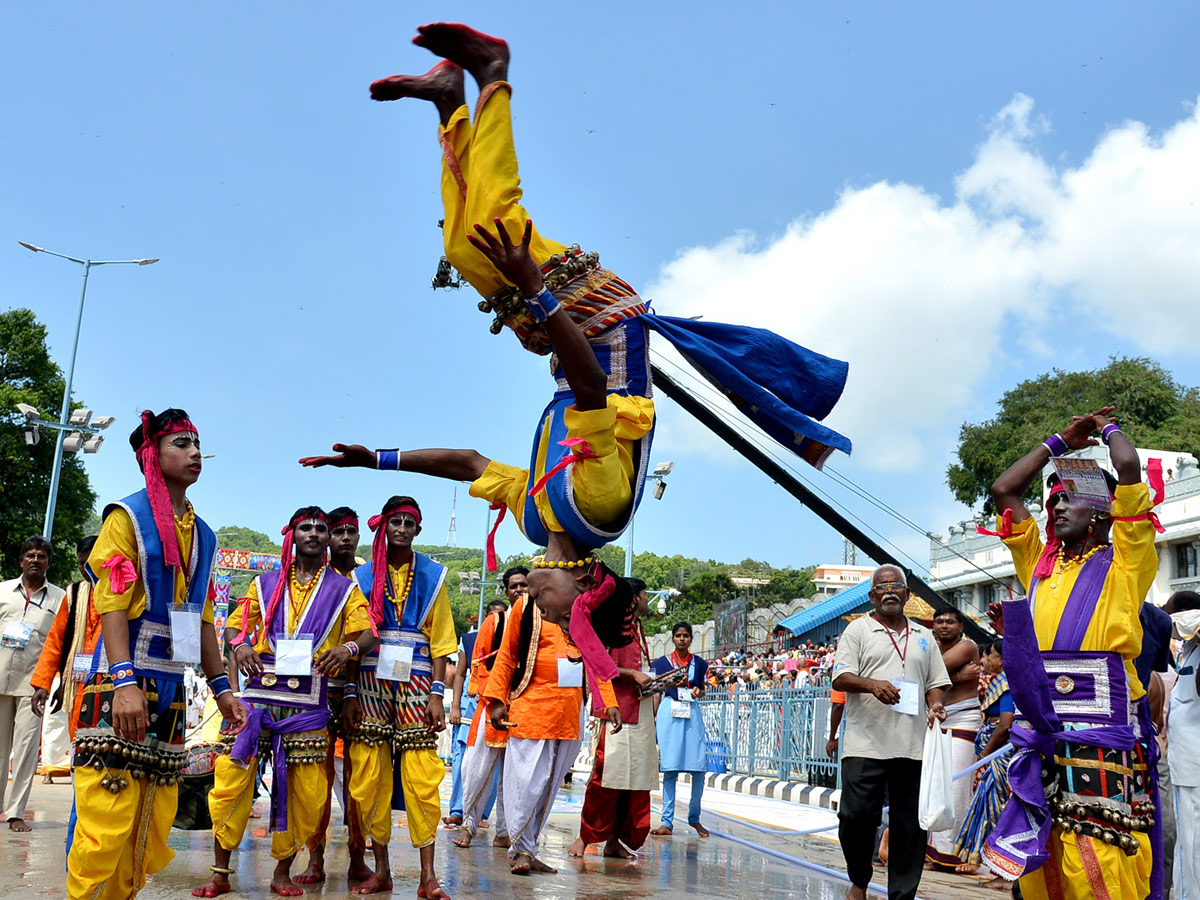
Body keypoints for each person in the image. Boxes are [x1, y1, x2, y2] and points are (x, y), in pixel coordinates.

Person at [981, 408, 1161, 900]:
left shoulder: (1126, 559)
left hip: (1099, 730)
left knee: (1099, 853)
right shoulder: (1039, 563)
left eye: (1069, 501)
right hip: (1042, 727)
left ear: (1104, 513)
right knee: (1045, 858)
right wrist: (1061, 440)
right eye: (1052, 502)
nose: (1055, 509)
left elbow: (1127, 470)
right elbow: (1004, 491)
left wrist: (1107, 431)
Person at [68, 409, 247, 900]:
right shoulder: (126, 518)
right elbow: (112, 602)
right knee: (106, 818)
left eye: (197, 445)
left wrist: (223, 690)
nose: (194, 453)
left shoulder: (204, 534)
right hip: (122, 681)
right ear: (153, 455)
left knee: (152, 816)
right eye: (182, 444)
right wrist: (124, 681)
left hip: (171, 686)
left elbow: (204, 617)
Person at [193, 507, 371, 898]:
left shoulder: (344, 589)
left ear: (327, 539)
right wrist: (239, 645)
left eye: (320, 529)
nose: (313, 533)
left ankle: (281, 871)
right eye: (305, 527)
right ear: (290, 535)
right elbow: (237, 625)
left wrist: (348, 648)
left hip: (309, 700)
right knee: (232, 781)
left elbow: (367, 631)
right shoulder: (265, 583)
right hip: (259, 694)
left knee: (305, 793)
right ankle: (220, 873)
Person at [344, 497, 456, 898]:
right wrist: (352, 692)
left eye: (410, 522)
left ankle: (428, 876)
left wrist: (439, 695)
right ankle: (383, 870)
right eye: (396, 522)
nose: (403, 528)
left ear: (418, 530)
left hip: (418, 682)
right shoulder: (362, 576)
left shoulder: (433, 576)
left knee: (422, 777)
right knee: (370, 776)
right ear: (384, 527)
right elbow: (354, 636)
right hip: (370, 678)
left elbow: (443, 640)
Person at [832, 564, 950, 900]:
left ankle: (902, 895)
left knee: (910, 826)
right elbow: (840, 678)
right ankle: (859, 878)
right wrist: (871, 685)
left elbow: (937, 684)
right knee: (854, 815)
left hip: (912, 745)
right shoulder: (857, 631)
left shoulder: (925, 637)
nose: (888, 590)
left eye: (895, 585)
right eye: (881, 586)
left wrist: (936, 704)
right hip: (864, 743)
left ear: (907, 594)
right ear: (872, 595)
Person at [482, 571, 585, 874]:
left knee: (549, 786)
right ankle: (519, 850)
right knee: (525, 784)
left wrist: (609, 702)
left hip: (569, 711)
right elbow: (507, 655)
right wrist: (498, 701)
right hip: (531, 708)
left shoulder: (583, 604)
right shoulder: (526, 607)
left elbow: (595, 654)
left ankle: (529, 847)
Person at [297, 506, 371, 887]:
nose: (343, 538)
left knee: (356, 779)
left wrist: (354, 689)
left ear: (358, 537)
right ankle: (315, 857)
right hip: (309, 691)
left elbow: (366, 637)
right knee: (315, 780)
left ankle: (359, 856)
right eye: (336, 530)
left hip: (358, 689)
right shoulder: (307, 579)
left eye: (349, 532)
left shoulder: (366, 579)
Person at [568, 577, 656, 859]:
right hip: (616, 710)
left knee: (633, 783)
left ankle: (615, 840)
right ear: (633, 599)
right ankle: (584, 838)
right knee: (606, 778)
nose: (646, 599)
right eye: (644, 594)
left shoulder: (638, 629)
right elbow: (600, 665)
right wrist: (634, 675)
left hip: (639, 711)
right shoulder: (614, 627)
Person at [452, 568, 524, 849]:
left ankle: (504, 832)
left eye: (524, 586)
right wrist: (495, 699)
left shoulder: (539, 623)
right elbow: (478, 665)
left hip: (521, 708)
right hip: (490, 706)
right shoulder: (496, 622)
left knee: (514, 776)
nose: (519, 590)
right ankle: (468, 826)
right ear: (506, 592)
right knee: (476, 768)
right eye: (514, 586)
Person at [1, 534, 64, 830]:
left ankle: (15, 813)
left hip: (34, 686)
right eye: (30, 555)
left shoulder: (60, 599)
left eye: (41, 556)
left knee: (26, 750)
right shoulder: (2, 592)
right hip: (0, 679)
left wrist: (51, 683)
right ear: (21, 560)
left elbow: (61, 644)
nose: (35, 560)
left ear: (48, 562)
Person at [925, 607, 982, 874]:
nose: (944, 625)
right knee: (936, 785)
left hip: (963, 720)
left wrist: (948, 677)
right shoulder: (930, 646)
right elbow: (930, 674)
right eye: (939, 621)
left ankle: (958, 854)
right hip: (937, 721)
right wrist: (959, 678)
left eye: (950, 621)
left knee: (957, 787)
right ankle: (936, 853)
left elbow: (934, 670)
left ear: (961, 626)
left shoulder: (968, 646)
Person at [954, 640, 1014, 876]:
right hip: (994, 751)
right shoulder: (998, 682)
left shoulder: (1006, 684)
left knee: (992, 805)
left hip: (1000, 753)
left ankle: (993, 864)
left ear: (1000, 659)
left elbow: (1005, 723)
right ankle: (984, 860)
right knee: (985, 802)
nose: (984, 661)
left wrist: (987, 751)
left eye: (988, 656)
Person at [650, 621, 710, 838]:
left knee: (698, 768)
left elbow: (702, 690)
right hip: (670, 712)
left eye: (686, 635)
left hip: (691, 712)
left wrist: (697, 692)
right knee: (670, 768)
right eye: (678, 635)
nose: (682, 639)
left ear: (691, 639)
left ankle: (694, 818)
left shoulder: (700, 664)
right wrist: (653, 718)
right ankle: (667, 821)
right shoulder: (662, 663)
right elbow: (656, 691)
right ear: (673, 638)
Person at [1166, 590, 1200, 900]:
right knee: (1186, 842)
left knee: (1193, 843)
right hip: (1185, 764)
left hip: (1194, 766)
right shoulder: (1188, 648)